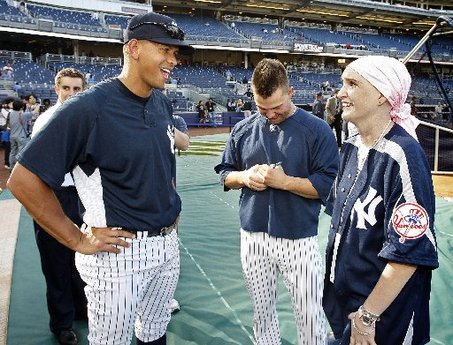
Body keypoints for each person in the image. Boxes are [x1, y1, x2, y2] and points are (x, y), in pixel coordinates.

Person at [8, 11, 193, 345]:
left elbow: (164, 163)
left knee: (154, 333)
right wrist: (76, 240)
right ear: (134, 48)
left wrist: (172, 205)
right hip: (119, 254)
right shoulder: (87, 108)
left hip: (167, 245)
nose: (173, 60)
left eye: (175, 53)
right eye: (165, 50)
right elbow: (23, 180)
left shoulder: (161, 102)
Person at [214, 58, 339, 345]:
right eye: (262, 108)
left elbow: (328, 185)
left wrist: (284, 182)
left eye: (277, 107)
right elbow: (224, 174)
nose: (270, 114)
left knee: (309, 314)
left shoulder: (317, 129)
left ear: (291, 93)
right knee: (262, 313)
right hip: (253, 236)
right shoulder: (243, 129)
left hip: (298, 238)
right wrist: (244, 177)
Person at [323, 56, 439, 345]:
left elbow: (408, 251)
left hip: (381, 316)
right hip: (346, 303)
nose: (340, 93)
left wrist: (367, 317)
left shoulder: (403, 155)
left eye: (352, 84)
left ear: (380, 95)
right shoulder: (350, 147)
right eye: (342, 83)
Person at [30, 68, 87, 345]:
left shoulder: (84, 119)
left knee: (80, 258)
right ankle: (62, 324)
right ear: (56, 89)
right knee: (56, 263)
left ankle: (80, 308)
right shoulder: (46, 121)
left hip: (80, 196)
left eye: (77, 89)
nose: (72, 94)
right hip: (51, 195)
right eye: (67, 88)